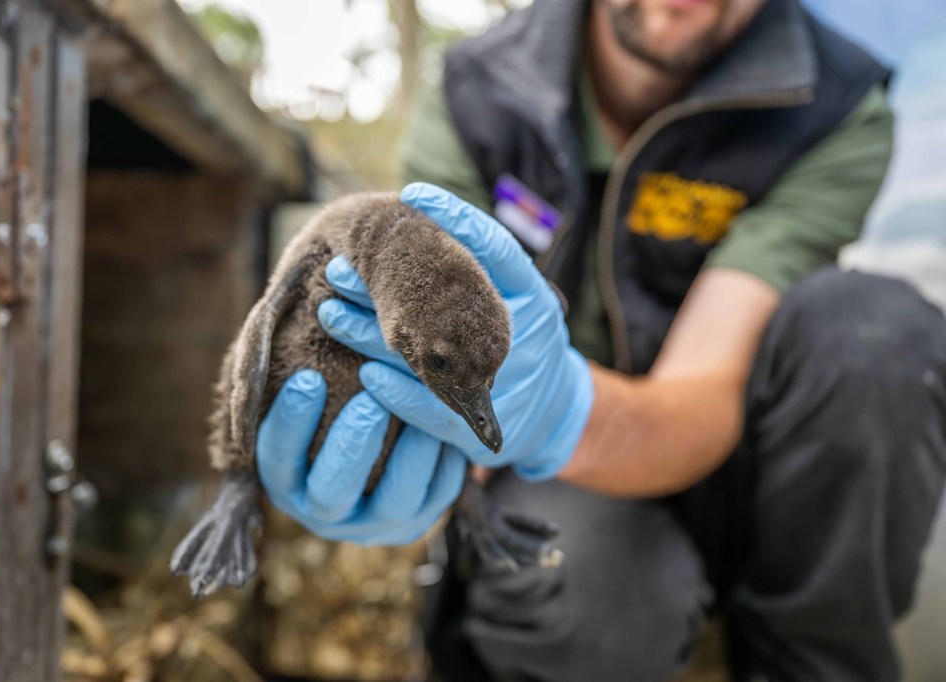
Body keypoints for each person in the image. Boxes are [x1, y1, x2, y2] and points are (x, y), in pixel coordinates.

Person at [257, 0, 946, 679]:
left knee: (876, 334)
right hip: (555, 485)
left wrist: (561, 408)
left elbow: (701, 394)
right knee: (583, 595)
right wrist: (409, 460)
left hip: (746, 467)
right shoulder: (476, 91)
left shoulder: (834, 106)